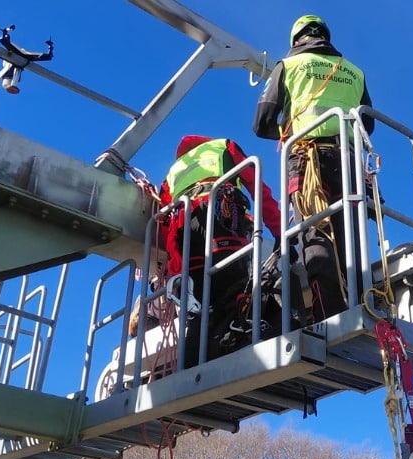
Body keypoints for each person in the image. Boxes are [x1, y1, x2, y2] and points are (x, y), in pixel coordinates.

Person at [253, 14, 373, 321]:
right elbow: (368, 125)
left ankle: (329, 318)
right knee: (352, 239)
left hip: (308, 161)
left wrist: (288, 132)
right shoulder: (354, 71)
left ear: (296, 39)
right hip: (348, 160)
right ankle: (364, 306)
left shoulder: (288, 65)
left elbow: (261, 123)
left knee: (316, 236)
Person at [158, 135, 282, 367]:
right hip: (219, 216)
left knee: (199, 304)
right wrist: (279, 231)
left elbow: (164, 222)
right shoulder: (223, 147)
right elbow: (257, 187)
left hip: (185, 231)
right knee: (233, 284)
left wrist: (175, 269)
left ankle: (190, 367)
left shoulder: (172, 174)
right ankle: (240, 347)